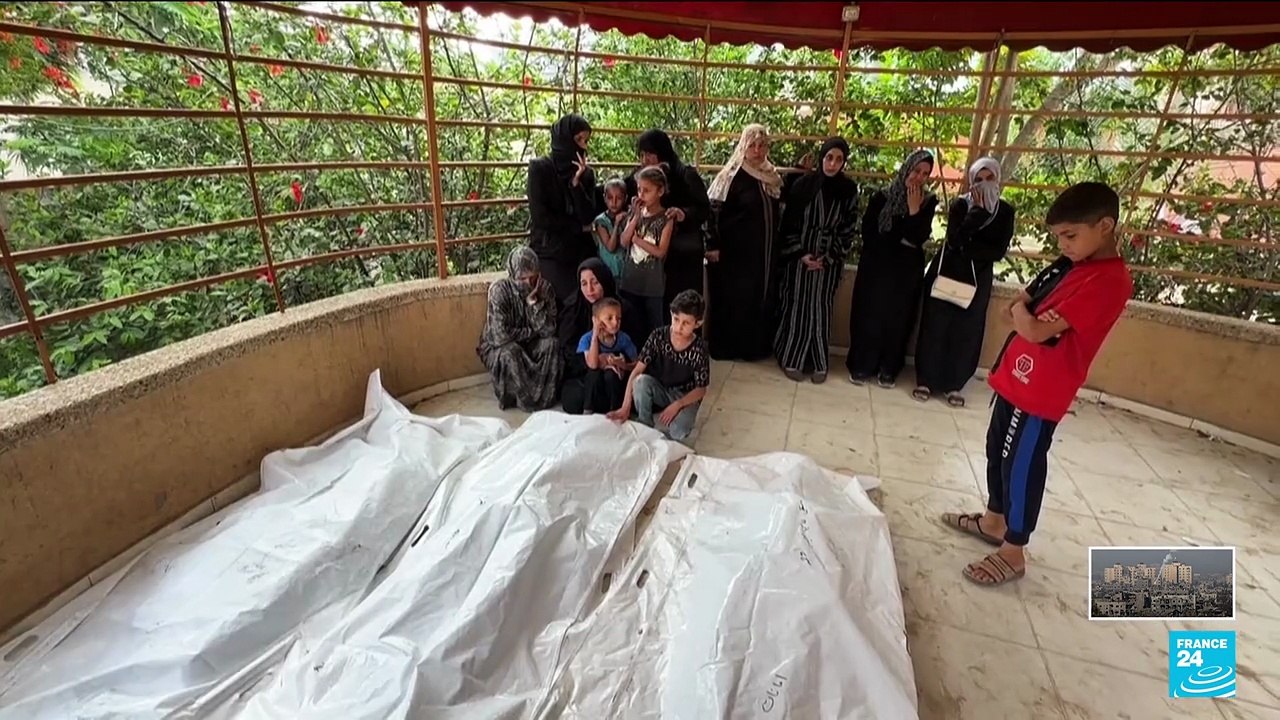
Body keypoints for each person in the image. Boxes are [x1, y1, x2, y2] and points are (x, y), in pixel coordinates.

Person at [940, 182, 1133, 586]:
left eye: (1070, 235)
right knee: (997, 450)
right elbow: (1020, 305)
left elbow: (1035, 328)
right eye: (1058, 236)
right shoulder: (1069, 265)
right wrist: (1026, 317)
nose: (1062, 244)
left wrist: (1027, 318)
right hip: (1015, 377)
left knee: (1022, 464)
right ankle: (995, 520)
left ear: (1105, 226)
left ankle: (1013, 550)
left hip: (1042, 391)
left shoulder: (1107, 281)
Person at [914, 157, 1016, 406]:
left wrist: (969, 248)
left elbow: (997, 250)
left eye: (989, 179)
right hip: (948, 272)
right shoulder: (962, 205)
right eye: (978, 180)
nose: (983, 185)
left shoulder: (1005, 212)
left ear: (997, 179)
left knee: (966, 330)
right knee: (935, 326)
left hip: (977, 279)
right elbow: (955, 240)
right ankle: (925, 379)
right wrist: (977, 214)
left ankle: (954, 384)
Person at [845, 148, 939, 388]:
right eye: (916, 170)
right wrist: (900, 236)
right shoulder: (882, 197)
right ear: (907, 168)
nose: (919, 177)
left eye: (925, 174)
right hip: (877, 268)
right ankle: (862, 365)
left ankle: (888, 368)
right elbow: (869, 233)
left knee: (898, 320)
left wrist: (914, 210)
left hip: (906, 274)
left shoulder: (927, 202)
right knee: (870, 316)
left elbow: (917, 238)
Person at [774, 137, 859, 384]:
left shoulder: (848, 190)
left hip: (827, 261)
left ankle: (818, 361)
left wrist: (829, 257)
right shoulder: (803, 186)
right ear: (822, 158)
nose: (832, 164)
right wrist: (801, 253)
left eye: (839, 159)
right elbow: (787, 223)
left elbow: (848, 228)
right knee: (797, 305)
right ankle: (792, 357)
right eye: (829, 158)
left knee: (821, 308)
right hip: (800, 258)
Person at [705, 124, 785, 361]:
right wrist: (712, 245)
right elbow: (713, 212)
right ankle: (729, 348)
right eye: (752, 145)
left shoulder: (770, 175)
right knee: (734, 300)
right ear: (743, 146)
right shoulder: (731, 175)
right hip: (735, 254)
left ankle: (754, 348)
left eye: (762, 145)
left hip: (763, 254)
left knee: (758, 299)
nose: (757, 151)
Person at [608, 290, 710, 443]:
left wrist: (678, 404)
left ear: (698, 323)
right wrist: (625, 407)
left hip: (685, 396)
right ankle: (645, 424)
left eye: (686, 323)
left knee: (678, 431)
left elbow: (701, 389)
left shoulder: (699, 349)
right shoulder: (658, 336)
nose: (678, 327)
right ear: (671, 314)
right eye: (676, 319)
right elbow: (637, 371)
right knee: (641, 382)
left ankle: (667, 437)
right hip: (661, 388)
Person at [627, 129, 712, 311]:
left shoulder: (685, 175)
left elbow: (704, 209)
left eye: (649, 154)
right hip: (652, 261)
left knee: (683, 308)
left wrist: (683, 214)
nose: (644, 160)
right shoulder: (641, 177)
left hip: (681, 256)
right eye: (641, 155)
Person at [476, 246, 563, 411]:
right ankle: (522, 400)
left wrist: (533, 303)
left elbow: (549, 330)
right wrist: (531, 332)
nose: (529, 283)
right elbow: (500, 336)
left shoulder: (545, 289)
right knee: (511, 352)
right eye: (523, 278)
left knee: (552, 344)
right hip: (499, 346)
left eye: (533, 277)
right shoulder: (499, 291)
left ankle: (544, 398)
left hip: (530, 342)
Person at [527, 113, 599, 304]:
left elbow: (587, 216)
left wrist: (576, 184)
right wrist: (575, 227)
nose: (583, 146)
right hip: (550, 248)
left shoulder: (586, 174)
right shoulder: (540, 169)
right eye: (578, 139)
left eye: (586, 140)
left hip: (580, 248)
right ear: (564, 140)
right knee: (569, 297)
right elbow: (541, 217)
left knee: (594, 290)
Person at [558, 258, 643, 414]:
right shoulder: (573, 310)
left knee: (626, 389)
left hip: (617, 372)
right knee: (574, 399)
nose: (589, 289)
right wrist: (595, 361)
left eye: (595, 282)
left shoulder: (623, 309)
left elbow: (635, 348)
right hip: (586, 374)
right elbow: (568, 352)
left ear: (604, 281)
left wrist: (614, 359)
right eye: (584, 284)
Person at [618, 166, 675, 338]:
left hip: (652, 285)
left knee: (653, 326)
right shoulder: (635, 213)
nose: (641, 195)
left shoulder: (666, 218)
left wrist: (638, 241)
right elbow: (623, 241)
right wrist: (635, 217)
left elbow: (660, 252)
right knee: (631, 325)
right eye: (639, 190)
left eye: (647, 191)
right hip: (630, 280)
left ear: (660, 191)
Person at [576, 297, 639, 414]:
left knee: (611, 374)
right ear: (596, 320)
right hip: (595, 387)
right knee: (593, 375)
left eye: (618, 319)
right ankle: (588, 410)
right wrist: (595, 335)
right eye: (609, 318)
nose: (615, 323)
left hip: (614, 386)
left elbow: (637, 365)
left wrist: (621, 364)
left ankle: (614, 411)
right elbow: (593, 364)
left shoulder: (623, 338)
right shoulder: (587, 339)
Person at [593, 178, 629, 280]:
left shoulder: (628, 217)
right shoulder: (601, 221)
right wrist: (617, 224)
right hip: (609, 271)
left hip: (626, 271)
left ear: (625, 198)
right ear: (604, 198)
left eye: (619, 198)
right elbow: (610, 247)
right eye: (610, 198)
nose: (614, 202)